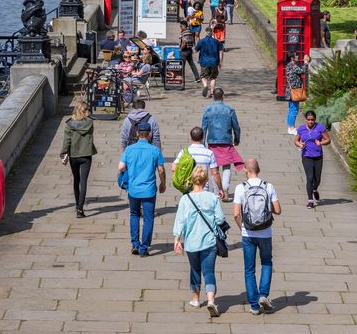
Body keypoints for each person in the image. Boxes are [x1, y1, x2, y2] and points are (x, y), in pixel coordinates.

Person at [173, 166, 226, 316]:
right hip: (209, 241)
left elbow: (180, 221)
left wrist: (177, 239)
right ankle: (210, 300)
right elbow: (220, 218)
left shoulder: (185, 199)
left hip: (191, 242)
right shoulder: (211, 197)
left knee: (194, 269)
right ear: (205, 181)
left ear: (192, 180)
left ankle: (195, 299)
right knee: (209, 271)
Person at [233, 159, 281, 315]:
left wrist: (242, 227)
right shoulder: (268, 186)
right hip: (265, 232)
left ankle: (254, 306)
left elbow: (235, 214)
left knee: (249, 269)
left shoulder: (241, 188)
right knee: (266, 263)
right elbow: (278, 210)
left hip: (248, 234)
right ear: (259, 170)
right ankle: (263, 295)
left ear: (246, 171)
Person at [119, 122, 166, 256]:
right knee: (148, 218)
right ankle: (144, 248)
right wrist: (163, 183)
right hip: (149, 190)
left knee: (134, 215)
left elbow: (121, 167)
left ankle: (135, 243)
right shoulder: (155, 150)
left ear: (137, 133)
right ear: (150, 134)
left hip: (133, 189)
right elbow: (161, 169)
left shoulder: (129, 149)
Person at [202, 88, 243, 196]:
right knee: (226, 166)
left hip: (212, 141)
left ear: (213, 96)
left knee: (214, 168)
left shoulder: (208, 109)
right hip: (226, 140)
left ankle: (217, 191)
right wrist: (237, 139)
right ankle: (225, 187)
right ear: (223, 96)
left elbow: (204, 127)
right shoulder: (229, 109)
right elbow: (236, 127)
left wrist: (203, 143)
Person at [60, 101, 97, 218]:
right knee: (84, 181)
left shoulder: (69, 124)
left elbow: (66, 141)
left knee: (76, 180)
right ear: (85, 111)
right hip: (86, 155)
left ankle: (77, 204)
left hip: (74, 156)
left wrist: (63, 154)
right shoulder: (90, 123)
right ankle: (80, 209)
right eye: (88, 109)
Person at [171, 126, 226, 199]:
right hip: (203, 189)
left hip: (188, 189)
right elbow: (215, 174)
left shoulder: (184, 152)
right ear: (203, 138)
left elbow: (173, 168)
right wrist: (220, 189)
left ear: (191, 138)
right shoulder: (209, 153)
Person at [293, 110, 330, 208]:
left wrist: (321, 143)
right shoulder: (301, 129)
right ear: (306, 120)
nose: (310, 121)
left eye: (312, 120)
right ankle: (310, 200)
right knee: (309, 178)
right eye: (308, 120)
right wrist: (300, 144)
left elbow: (328, 140)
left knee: (317, 179)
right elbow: (296, 140)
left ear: (315, 120)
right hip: (306, 156)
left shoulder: (320, 128)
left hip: (318, 156)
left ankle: (314, 189)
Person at [284, 52, 310, 135]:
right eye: (296, 55)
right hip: (294, 91)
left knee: (291, 109)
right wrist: (306, 62)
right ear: (292, 58)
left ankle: (290, 127)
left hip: (292, 91)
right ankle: (292, 128)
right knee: (294, 110)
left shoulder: (291, 65)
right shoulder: (292, 65)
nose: (298, 56)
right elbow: (302, 71)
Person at [195, 27, 223, 97]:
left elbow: (195, 50)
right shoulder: (216, 41)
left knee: (203, 76)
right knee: (213, 78)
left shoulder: (202, 41)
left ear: (206, 32)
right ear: (212, 32)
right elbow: (221, 52)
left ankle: (205, 86)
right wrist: (220, 62)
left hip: (204, 62)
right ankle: (212, 92)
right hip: (214, 62)